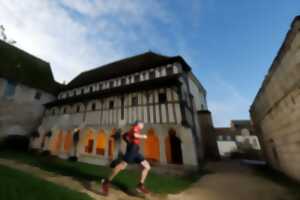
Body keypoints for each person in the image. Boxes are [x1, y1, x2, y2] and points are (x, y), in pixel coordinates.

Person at [100, 120, 151, 196]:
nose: (143, 125)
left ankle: (140, 185)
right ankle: (106, 182)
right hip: (132, 151)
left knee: (147, 166)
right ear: (138, 124)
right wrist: (143, 136)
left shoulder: (133, 130)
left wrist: (128, 141)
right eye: (142, 124)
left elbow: (124, 135)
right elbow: (135, 135)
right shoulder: (135, 128)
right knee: (122, 166)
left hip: (136, 152)